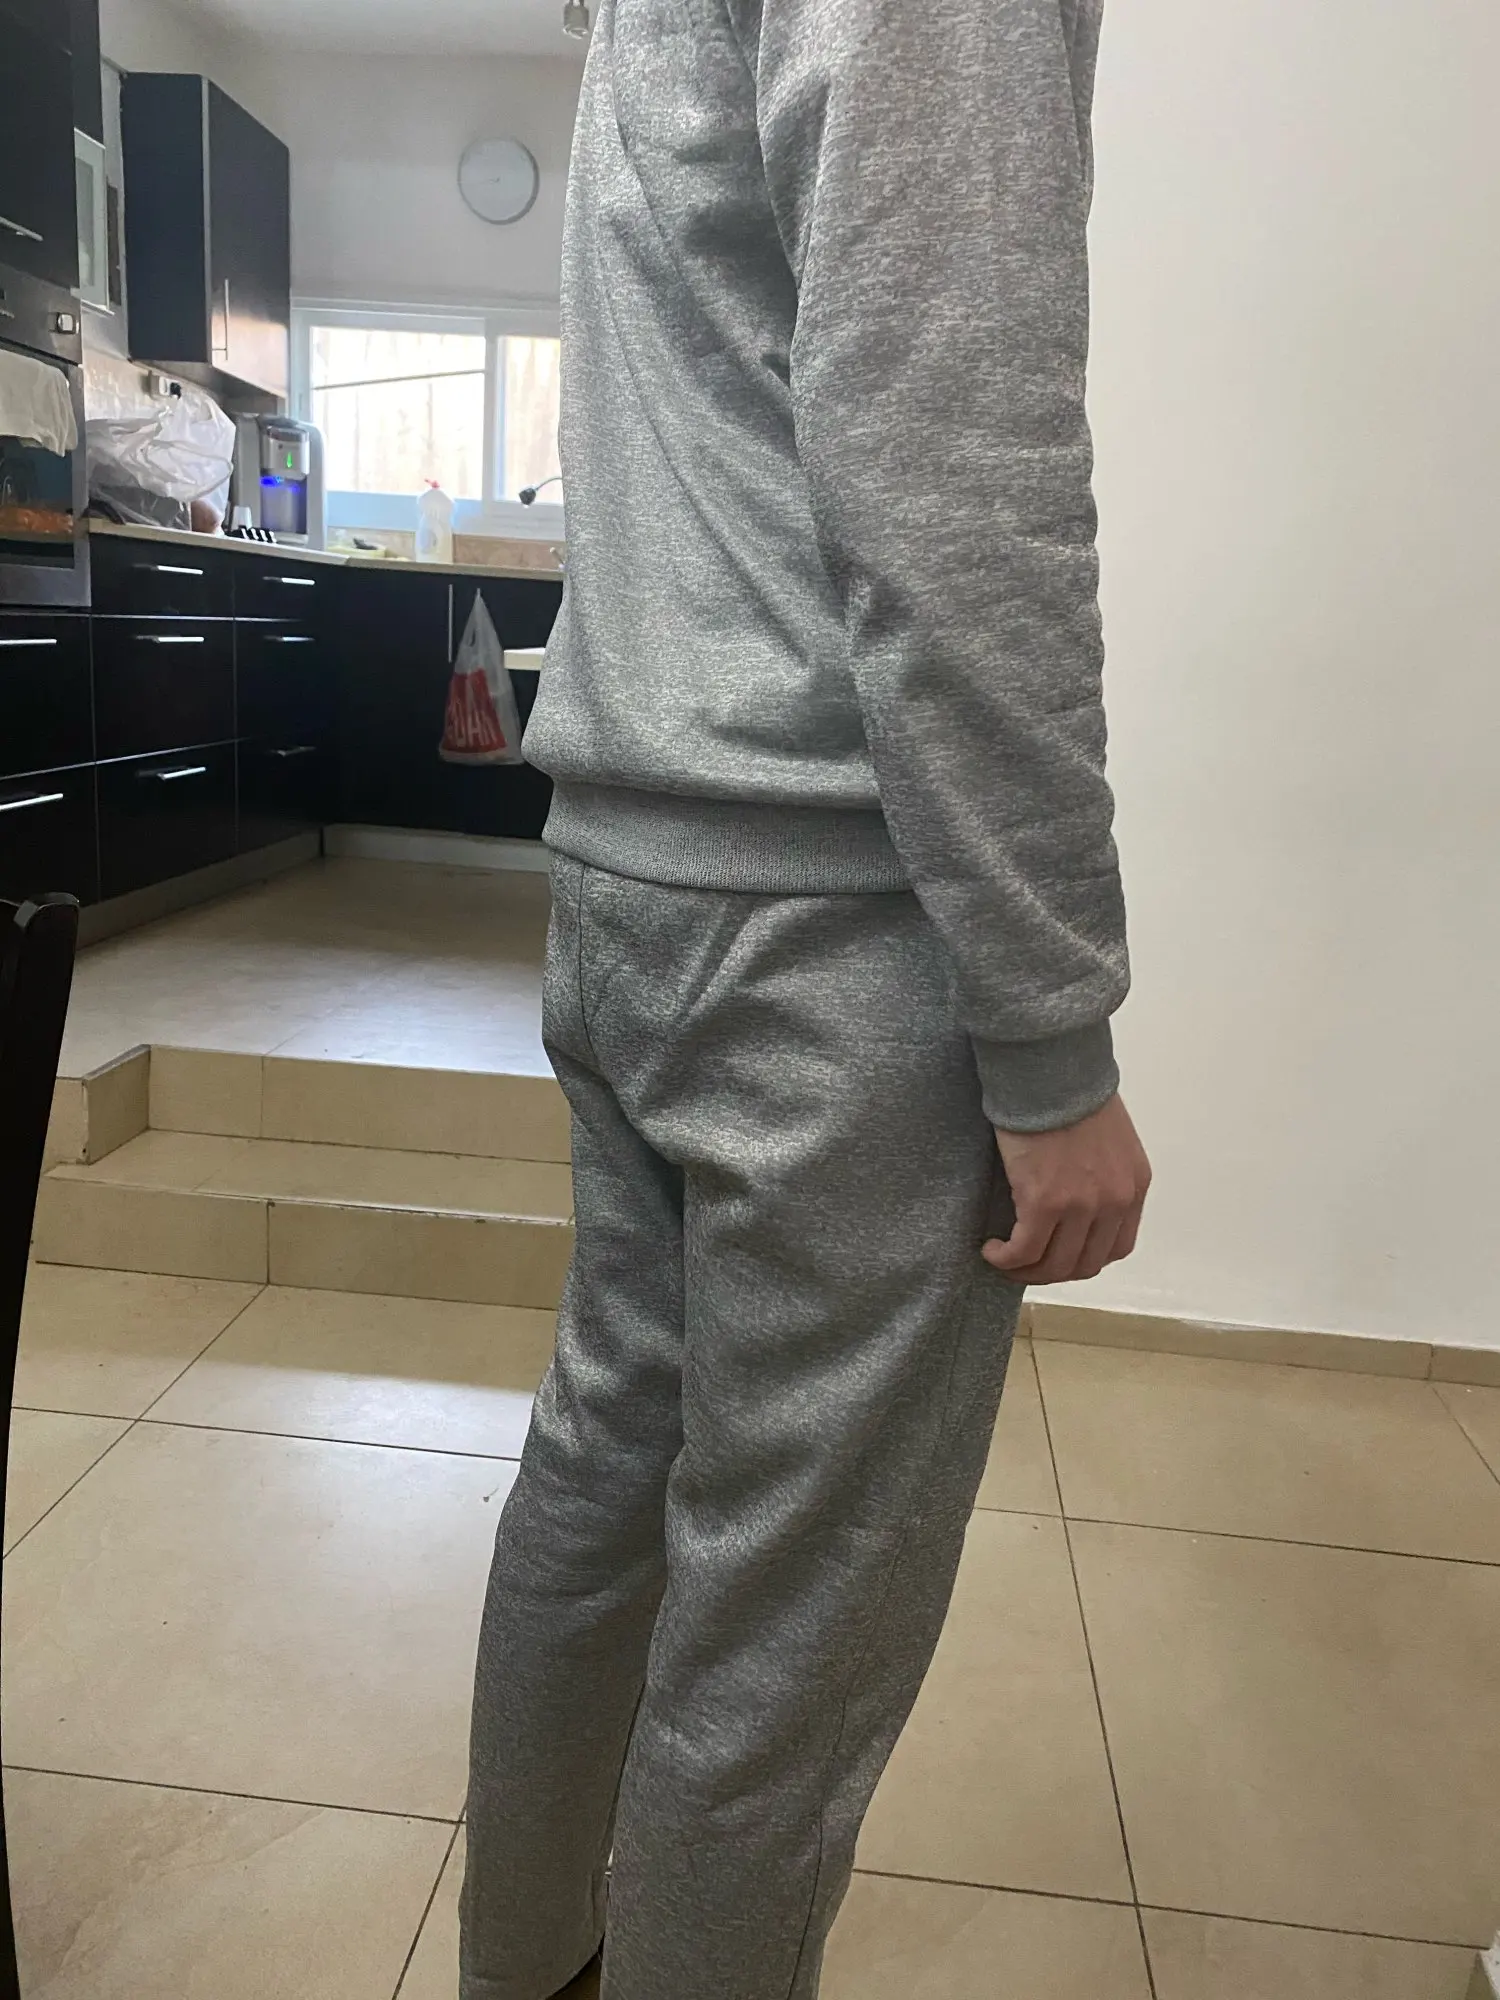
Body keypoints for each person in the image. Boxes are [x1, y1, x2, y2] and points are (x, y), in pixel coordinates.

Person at [460, 0, 1150, 1994]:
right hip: (829, 926)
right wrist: (1050, 1031)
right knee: (783, 1637)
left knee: (608, 1481)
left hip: (637, 866)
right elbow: (954, 463)